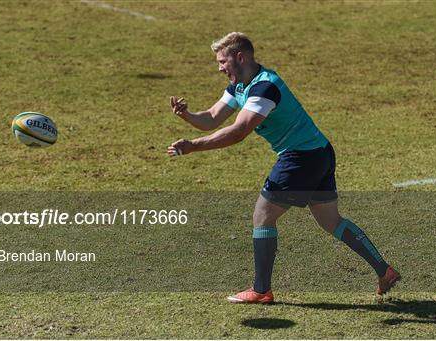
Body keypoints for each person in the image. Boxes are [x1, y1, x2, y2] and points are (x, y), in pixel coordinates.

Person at [167, 32, 401, 304]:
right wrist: (187, 115)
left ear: (240, 57)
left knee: (263, 215)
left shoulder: (265, 88)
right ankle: (384, 270)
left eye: (222, 61)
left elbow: (239, 131)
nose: (219, 67)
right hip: (320, 152)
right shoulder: (240, 86)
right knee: (331, 221)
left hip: (300, 158)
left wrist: (194, 146)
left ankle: (261, 289)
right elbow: (211, 118)